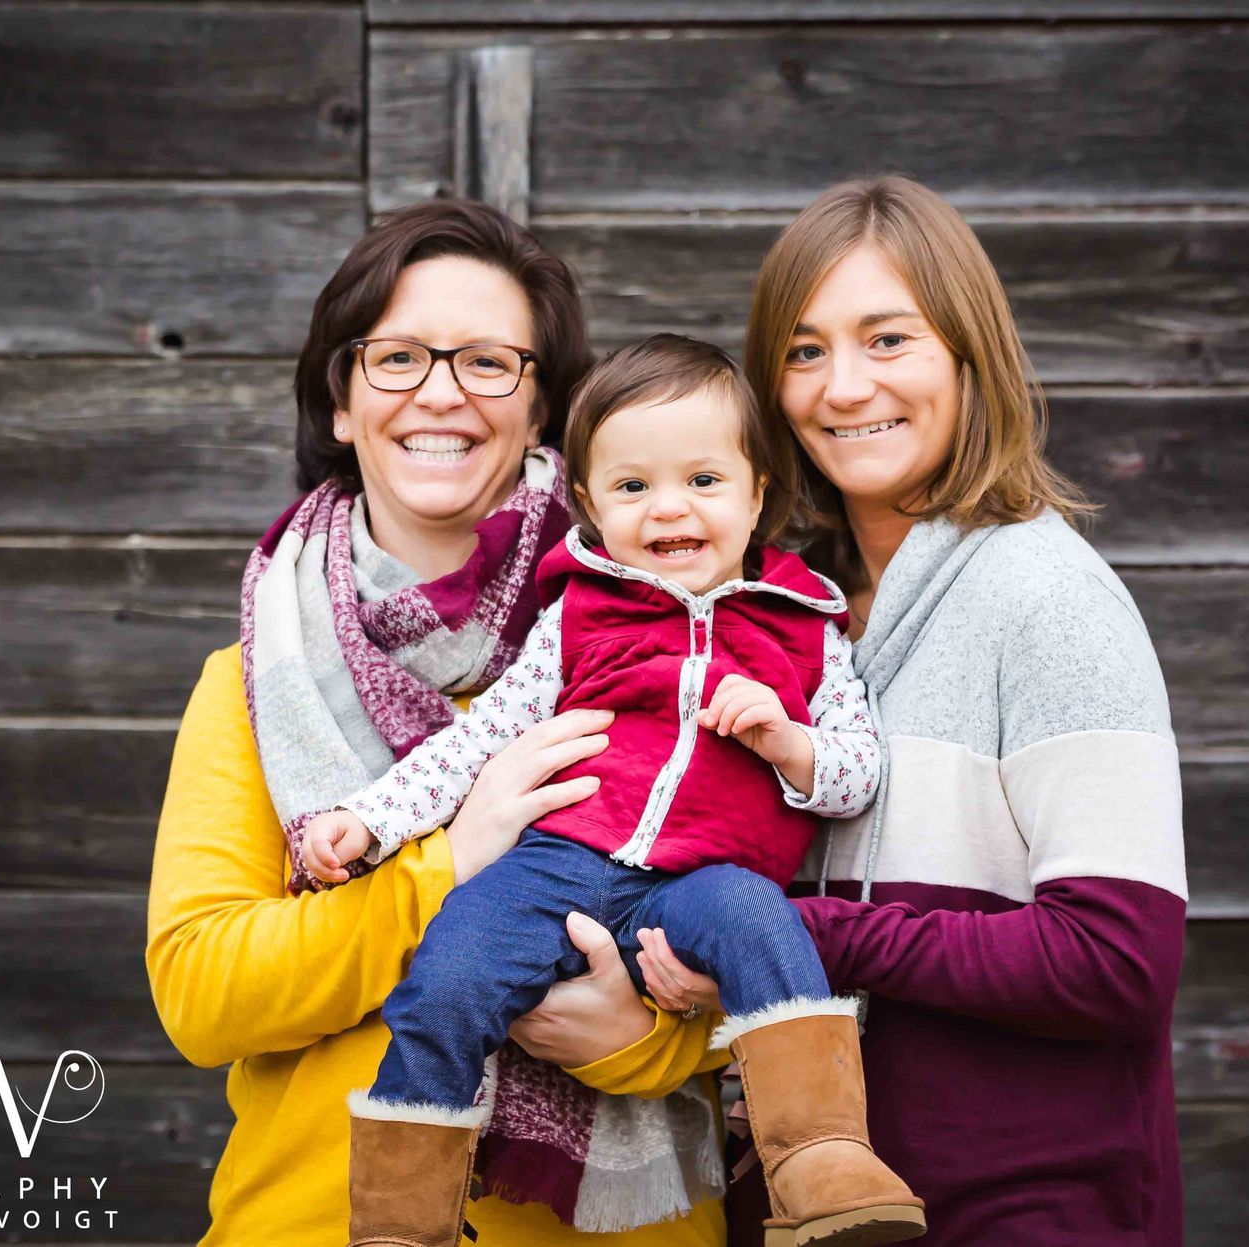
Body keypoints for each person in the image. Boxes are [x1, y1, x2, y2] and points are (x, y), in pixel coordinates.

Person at [146, 200, 732, 1246]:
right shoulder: (246, 684)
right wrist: (450, 863)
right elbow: (204, 992)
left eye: (488, 363)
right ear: (341, 399)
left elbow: (776, 964)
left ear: (546, 407)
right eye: (398, 357)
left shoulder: (690, 649)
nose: (441, 394)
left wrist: (645, 1041)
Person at [643, 175, 1189, 1245]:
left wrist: (802, 935)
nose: (844, 387)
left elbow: (1120, 964)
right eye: (804, 352)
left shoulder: (1050, 599)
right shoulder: (791, 616)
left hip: (1023, 1211)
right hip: (811, 1210)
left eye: (887, 339)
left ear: (967, 353)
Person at [303, 335, 925, 1247]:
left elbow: (858, 772)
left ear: (758, 492)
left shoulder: (803, 627)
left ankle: (821, 1160)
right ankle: (403, 1216)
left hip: (703, 880)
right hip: (557, 864)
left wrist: (790, 742)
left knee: (767, 926)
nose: (669, 506)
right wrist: (370, 816)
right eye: (633, 488)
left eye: (704, 481)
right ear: (593, 509)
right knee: (451, 965)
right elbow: (482, 736)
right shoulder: (579, 615)